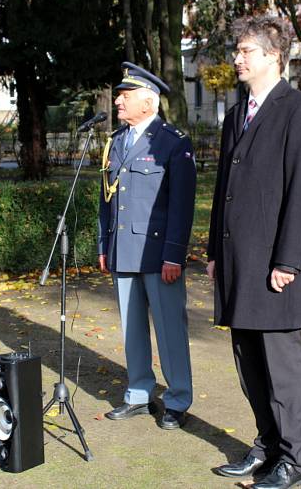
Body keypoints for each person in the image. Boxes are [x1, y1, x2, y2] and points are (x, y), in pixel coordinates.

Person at [207, 16, 301, 489]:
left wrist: (288, 261)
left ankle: (294, 462)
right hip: (239, 261)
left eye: (245, 51)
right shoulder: (237, 114)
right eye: (237, 50)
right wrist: (215, 250)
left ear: (274, 56)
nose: (237, 58)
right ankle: (268, 446)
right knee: (249, 360)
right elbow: (223, 190)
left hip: (276, 265)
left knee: (282, 366)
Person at [98, 62, 197, 430]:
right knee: (132, 329)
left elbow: (182, 205)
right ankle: (139, 393)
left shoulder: (173, 142)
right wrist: (103, 243)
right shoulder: (116, 141)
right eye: (119, 96)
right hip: (123, 249)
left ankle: (177, 400)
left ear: (149, 101)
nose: (118, 102)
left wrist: (174, 253)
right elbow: (105, 200)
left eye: (125, 97)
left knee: (170, 330)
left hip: (158, 254)